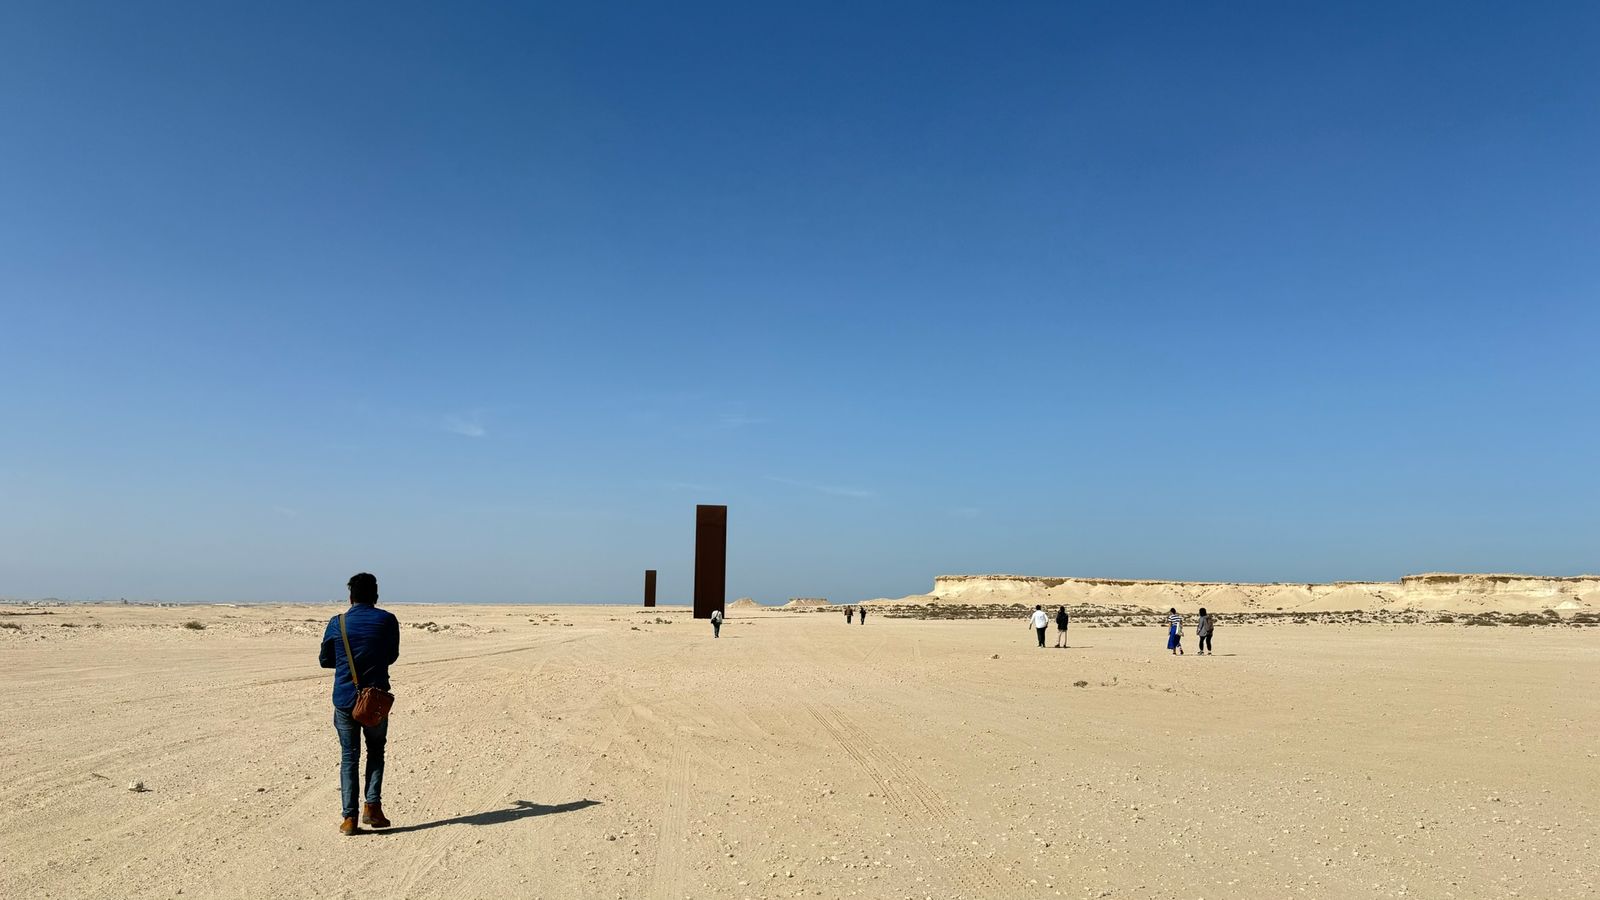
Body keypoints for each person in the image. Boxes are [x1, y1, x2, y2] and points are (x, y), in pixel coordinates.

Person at [320, 572, 400, 835]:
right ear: (376, 596)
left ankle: (349, 819)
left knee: (348, 757)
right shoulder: (387, 621)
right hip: (375, 700)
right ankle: (373, 807)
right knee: (376, 750)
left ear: (350, 596)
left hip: (345, 698)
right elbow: (391, 656)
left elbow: (325, 660)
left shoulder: (337, 623)